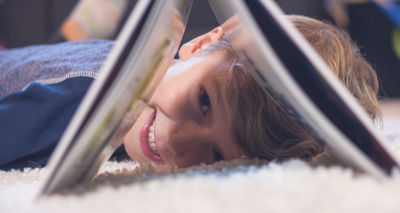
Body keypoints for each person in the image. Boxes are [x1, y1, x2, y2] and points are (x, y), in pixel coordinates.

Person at [0, 15, 380, 170]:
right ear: (200, 43)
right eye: (203, 100)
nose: (180, 144)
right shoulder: (83, 97)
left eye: (217, 155)